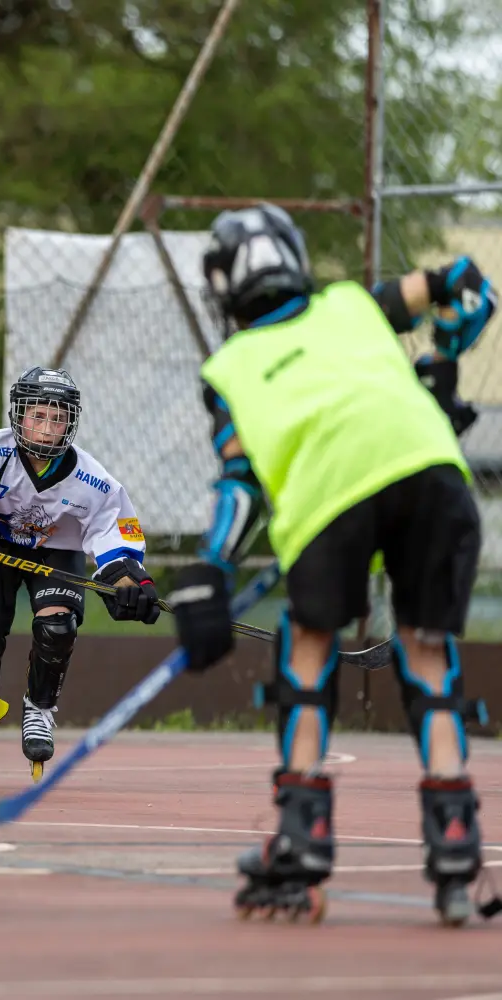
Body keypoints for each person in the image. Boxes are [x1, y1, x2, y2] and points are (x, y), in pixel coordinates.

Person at [165, 202, 499, 925]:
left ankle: (304, 839)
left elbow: (239, 481)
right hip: (431, 472)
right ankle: (453, 841)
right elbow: (459, 284)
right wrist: (439, 367)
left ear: (226, 288)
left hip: (327, 499)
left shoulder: (227, 367)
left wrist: (211, 569)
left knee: (307, 645)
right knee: (425, 649)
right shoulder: (353, 305)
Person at [0, 366, 161, 787]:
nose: (45, 429)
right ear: (18, 415)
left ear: (70, 424)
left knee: (57, 627)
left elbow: (116, 536)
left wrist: (130, 582)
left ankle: (39, 709)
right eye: (37, 416)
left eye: (57, 418)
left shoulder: (95, 481)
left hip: (57, 550)